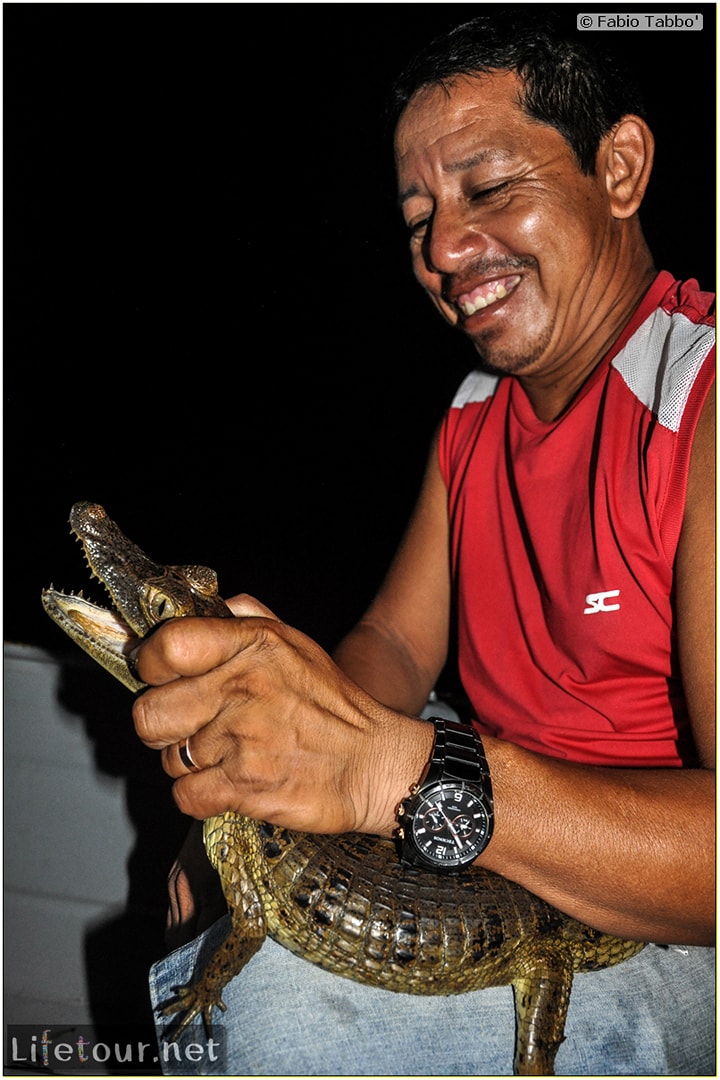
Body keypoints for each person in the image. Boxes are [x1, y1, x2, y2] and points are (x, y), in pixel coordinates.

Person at [135, 11, 715, 1075]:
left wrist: (393, 772)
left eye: (488, 189)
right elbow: (396, 650)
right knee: (226, 940)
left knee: (288, 1016)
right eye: (418, 222)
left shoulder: (702, 399)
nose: (443, 252)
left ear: (621, 169)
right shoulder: (474, 412)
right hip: (487, 818)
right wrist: (262, 778)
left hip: (657, 908)